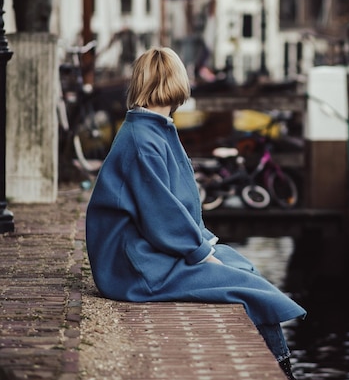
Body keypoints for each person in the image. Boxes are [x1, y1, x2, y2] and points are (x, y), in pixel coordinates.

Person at [85, 46, 306, 380]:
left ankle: (281, 363)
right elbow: (161, 214)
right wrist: (200, 252)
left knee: (242, 266)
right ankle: (282, 368)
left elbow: (168, 206)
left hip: (145, 251)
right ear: (175, 82)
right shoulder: (143, 139)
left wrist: (204, 245)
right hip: (134, 266)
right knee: (243, 285)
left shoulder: (154, 129)